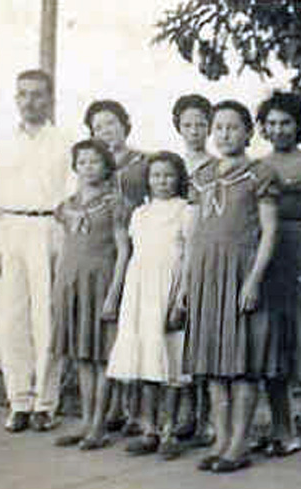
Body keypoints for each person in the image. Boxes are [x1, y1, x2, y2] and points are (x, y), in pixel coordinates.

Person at [183, 100, 280, 473]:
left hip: (242, 272)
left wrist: (254, 280)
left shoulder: (260, 174)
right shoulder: (203, 174)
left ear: (248, 132)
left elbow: (269, 231)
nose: (224, 134)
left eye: (233, 127)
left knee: (242, 361)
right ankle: (220, 439)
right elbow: (193, 233)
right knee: (213, 363)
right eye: (219, 127)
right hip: (207, 273)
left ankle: (239, 443)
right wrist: (188, 282)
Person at [0, 69, 74, 433]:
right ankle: (18, 400)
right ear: (16, 98)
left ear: (49, 99)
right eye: (23, 94)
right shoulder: (5, 141)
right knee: (11, 320)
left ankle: (45, 403)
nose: (30, 101)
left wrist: (64, 241)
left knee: (46, 321)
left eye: (37, 94)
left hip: (48, 229)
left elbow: (72, 195)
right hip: (10, 231)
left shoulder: (64, 141)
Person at [106, 151, 193, 459]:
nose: (162, 181)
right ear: (147, 180)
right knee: (145, 360)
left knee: (170, 361)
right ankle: (148, 429)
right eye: (156, 175)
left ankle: (170, 431)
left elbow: (189, 257)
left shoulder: (186, 211)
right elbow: (134, 254)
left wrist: (181, 296)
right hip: (141, 292)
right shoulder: (140, 214)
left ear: (179, 179)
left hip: (169, 289)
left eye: (169, 175)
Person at [52, 140, 131, 451]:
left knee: (101, 356)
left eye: (94, 161)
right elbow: (64, 248)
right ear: (75, 167)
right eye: (82, 161)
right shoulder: (67, 206)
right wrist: (59, 286)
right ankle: (85, 421)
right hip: (73, 283)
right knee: (83, 356)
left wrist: (114, 293)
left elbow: (123, 250)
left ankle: (99, 424)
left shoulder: (115, 204)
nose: (88, 167)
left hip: (101, 282)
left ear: (106, 166)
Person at [254, 91, 301, 456]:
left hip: (296, 249)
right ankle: (275, 428)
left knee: (288, 341)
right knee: (266, 341)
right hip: (264, 251)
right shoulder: (257, 165)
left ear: (299, 125)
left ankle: (288, 430)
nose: (279, 130)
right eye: (272, 123)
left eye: (286, 123)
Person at [83, 99, 147, 435]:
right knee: (109, 334)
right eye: (97, 127)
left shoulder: (144, 162)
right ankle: (110, 408)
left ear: (124, 124)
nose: (105, 131)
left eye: (110, 123)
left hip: (139, 248)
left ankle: (134, 410)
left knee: (134, 329)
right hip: (105, 251)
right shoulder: (94, 166)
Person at [169, 94, 214, 445]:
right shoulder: (172, 165)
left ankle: (207, 418)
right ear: (178, 127)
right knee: (179, 335)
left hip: (206, 251)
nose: (194, 130)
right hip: (175, 251)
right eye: (188, 124)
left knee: (204, 333)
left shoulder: (216, 166)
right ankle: (184, 413)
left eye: (200, 124)